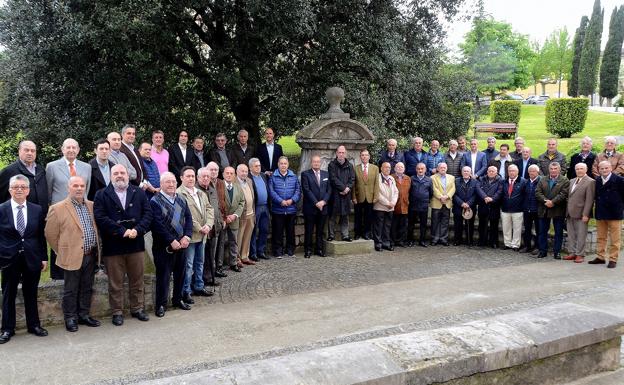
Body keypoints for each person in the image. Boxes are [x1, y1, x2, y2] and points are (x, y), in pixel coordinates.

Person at [93, 164, 153, 326]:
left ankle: (137, 308)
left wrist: (137, 230)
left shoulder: (139, 192)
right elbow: (101, 218)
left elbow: (148, 214)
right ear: (111, 176)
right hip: (114, 245)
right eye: (116, 173)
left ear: (128, 175)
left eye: (122, 173)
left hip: (136, 243)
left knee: (137, 280)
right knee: (115, 282)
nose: (119, 175)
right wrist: (122, 231)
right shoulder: (101, 195)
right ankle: (117, 312)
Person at [45, 176, 100, 332]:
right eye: (75, 185)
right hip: (71, 255)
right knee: (71, 289)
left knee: (87, 287)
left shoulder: (91, 205)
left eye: (82, 185)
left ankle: (84, 315)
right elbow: (50, 234)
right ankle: (70, 317)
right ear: (68, 188)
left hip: (90, 254)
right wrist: (62, 250)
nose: (79, 188)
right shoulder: (57, 208)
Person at [0, 175, 48, 344]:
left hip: (32, 257)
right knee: (8, 294)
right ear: (10, 189)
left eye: (22, 187)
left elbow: (41, 236)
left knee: (31, 292)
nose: (19, 189)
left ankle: (34, 325)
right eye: (15, 187)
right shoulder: (2, 209)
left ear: (28, 190)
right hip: (9, 258)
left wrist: (44, 257)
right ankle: (7, 329)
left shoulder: (37, 209)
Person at [46, 138, 92, 279]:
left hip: (80, 211)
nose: (71, 150)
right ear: (62, 149)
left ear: (78, 150)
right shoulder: (52, 166)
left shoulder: (86, 167)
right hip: (61, 213)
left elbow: (86, 189)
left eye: (74, 147)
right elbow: (48, 190)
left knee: (78, 241)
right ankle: (58, 277)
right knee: (61, 242)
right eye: (68, 147)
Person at [150, 172, 193, 317]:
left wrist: (187, 236)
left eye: (173, 182)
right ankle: (161, 304)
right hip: (164, 247)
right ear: (161, 184)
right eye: (167, 182)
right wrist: (171, 240)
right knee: (163, 277)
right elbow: (157, 225)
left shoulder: (181, 199)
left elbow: (188, 218)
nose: (171, 185)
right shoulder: (155, 201)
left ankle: (177, 299)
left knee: (181, 274)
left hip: (182, 244)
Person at [177, 166, 214, 303]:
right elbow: (185, 216)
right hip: (190, 236)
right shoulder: (179, 194)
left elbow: (209, 209)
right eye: (188, 176)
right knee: (188, 266)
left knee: (200, 263)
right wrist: (200, 228)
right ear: (181, 178)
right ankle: (186, 291)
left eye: (193, 176)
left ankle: (199, 286)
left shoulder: (200, 193)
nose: (191, 178)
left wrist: (209, 225)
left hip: (203, 235)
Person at [589, 161, 624, 268]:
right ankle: (600, 257)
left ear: (611, 168)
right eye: (602, 168)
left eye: (606, 168)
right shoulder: (598, 180)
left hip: (614, 213)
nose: (604, 170)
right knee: (601, 237)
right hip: (601, 212)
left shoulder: (619, 180)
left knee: (615, 238)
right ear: (599, 169)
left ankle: (613, 259)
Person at [197, 163, 228, 284]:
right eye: (203, 176)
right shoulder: (196, 190)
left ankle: (209, 277)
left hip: (215, 226)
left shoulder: (212, 189)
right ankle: (202, 279)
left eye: (207, 177)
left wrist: (220, 220)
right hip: (202, 228)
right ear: (198, 177)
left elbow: (217, 207)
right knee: (201, 257)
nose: (205, 179)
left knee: (211, 253)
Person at [0, 141, 48, 215]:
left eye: (33, 151)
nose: (30, 153)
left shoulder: (41, 170)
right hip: (18, 217)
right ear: (19, 151)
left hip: (40, 217)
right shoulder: (8, 171)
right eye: (26, 150)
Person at [268, 156, 301, 258]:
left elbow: (298, 191)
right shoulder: (273, 177)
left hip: (291, 209)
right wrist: (280, 201)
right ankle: (278, 251)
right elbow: (271, 191)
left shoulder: (293, 176)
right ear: (278, 164)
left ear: (288, 165)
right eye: (281, 163)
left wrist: (292, 200)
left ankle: (290, 250)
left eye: (285, 163)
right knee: (277, 231)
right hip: (278, 209)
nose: (283, 165)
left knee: (290, 231)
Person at [535, 162, 569, 259]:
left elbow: (563, 194)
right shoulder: (543, 179)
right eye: (551, 169)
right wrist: (545, 201)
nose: (553, 170)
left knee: (558, 232)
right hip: (544, 209)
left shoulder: (565, 180)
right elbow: (538, 192)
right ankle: (542, 251)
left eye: (555, 169)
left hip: (558, 209)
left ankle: (557, 252)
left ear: (559, 169)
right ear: (549, 169)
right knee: (542, 231)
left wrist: (553, 202)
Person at [564, 163, 595, 263]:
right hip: (570, 212)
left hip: (581, 213)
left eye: (581, 168)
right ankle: (572, 253)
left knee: (581, 234)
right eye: (577, 169)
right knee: (571, 234)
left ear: (586, 169)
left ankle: (580, 254)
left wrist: (586, 214)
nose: (579, 170)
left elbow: (589, 200)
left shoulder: (590, 182)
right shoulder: (572, 180)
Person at [301, 155, 331, 258]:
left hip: (323, 207)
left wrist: (323, 202)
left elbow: (329, 190)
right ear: (311, 163)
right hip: (310, 207)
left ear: (321, 162)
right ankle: (308, 250)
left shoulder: (326, 174)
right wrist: (316, 203)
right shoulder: (305, 174)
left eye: (318, 162)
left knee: (320, 231)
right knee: (309, 230)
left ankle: (319, 249)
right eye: (314, 162)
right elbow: (306, 190)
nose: (316, 163)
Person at [328, 145, 355, 241]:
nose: (341, 154)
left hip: (346, 195)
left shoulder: (350, 165)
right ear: (336, 153)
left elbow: (352, 179)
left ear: (345, 153)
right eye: (339, 152)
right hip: (335, 194)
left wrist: (347, 188)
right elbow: (333, 178)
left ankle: (345, 235)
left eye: (343, 152)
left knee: (345, 216)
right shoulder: (332, 165)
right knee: (333, 216)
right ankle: (331, 235)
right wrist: (343, 188)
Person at [352, 149, 379, 240]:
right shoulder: (355, 168)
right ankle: (357, 233)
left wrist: (376, 196)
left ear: (369, 157)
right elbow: (353, 184)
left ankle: (367, 233)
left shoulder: (375, 168)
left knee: (369, 217)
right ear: (360, 157)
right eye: (362, 155)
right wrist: (353, 197)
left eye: (366, 155)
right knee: (358, 216)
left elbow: (376, 183)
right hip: (359, 196)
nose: (364, 157)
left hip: (370, 197)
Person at [222, 166, 245, 271]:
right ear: (223, 174)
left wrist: (235, 215)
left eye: (231, 173)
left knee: (234, 242)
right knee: (221, 242)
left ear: (234, 175)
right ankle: (219, 265)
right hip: (222, 220)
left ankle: (233, 262)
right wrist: (224, 217)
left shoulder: (238, 187)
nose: (229, 175)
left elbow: (242, 202)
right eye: (227, 173)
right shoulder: (219, 186)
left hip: (234, 219)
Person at [373, 162, 398, 252]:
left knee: (387, 226)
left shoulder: (391, 178)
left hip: (390, 207)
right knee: (378, 226)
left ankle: (386, 243)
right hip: (380, 207)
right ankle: (378, 243)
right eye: (385, 167)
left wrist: (393, 202)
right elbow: (377, 193)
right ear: (381, 168)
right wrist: (387, 203)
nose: (387, 169)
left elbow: (396, 191)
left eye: (389, 167)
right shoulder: (377, 178)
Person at [500, 164, 526, 251]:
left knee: (517, 228)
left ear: (517, 172)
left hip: (518, 209)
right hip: (505, 208)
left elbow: (525, 195)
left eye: (513, 171)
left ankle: (515, 245)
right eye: (510, 171)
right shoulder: (504, 181)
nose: (511, 172)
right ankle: (507, 243)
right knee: (506, 228)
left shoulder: (523, 182)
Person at [248, 158, 270, 260]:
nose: (258, 167)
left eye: (259, 165)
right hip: (255, 207)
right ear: (250, 167)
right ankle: (253, 253)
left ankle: (261, 251)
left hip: (265, 207)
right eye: (256, 166)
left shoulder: (263, 175)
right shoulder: (248, 178)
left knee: (264, 230)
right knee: (253, 231)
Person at [476, 166, 503, 248]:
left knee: (494, 225)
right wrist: (485, 197)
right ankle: (482, 241)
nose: (491, 172)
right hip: (483, 204)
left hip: (494, 205)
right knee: (482, 225)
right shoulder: (481, 179)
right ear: (487, 172)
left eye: (493, 171)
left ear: (496, 172)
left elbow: (500, 191)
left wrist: (492, 199)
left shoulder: (500, 180)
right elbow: (478, 189)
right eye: (489, 171)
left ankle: (493, 242)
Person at [430, 162, 455, 246]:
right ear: (437, 168)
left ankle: (444, 239)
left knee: (445, 222)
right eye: (441, 167)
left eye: (444, 167)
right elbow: (434, 189)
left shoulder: (452, 177)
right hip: (437, 202)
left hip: (447, 202)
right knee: (435, 222)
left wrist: (447, 196)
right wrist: (441, 197)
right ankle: (434, 239)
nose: (443, 169)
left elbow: (453, 188)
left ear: (447, 168)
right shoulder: (432, 178)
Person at [235, 164, 256, 265]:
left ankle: (244, 256)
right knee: (239, 237)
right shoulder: (234, 182)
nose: (244, 173)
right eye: (242, 171)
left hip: (251, 213)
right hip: (241, 215)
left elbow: (252, 196)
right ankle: (236, 258)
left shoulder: (249, 181)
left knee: (247, 236)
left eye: (246, 171)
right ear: (237, 171)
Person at [407, 163, 432, 247]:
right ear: (416, 169)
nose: (420, 170)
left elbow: (431, 193)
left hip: (423, 205)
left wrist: (426, 200)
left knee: (423, 225)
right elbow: (409, 191)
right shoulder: (411, 179)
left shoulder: (429, 180)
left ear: (425, 170)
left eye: (422, 169)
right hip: (413, 205)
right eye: (418, 169)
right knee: (410, 224)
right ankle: (410, 240)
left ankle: (422, 241)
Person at [452, 166, 478, 246]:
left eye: (467, 171)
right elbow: (454, 194)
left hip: (470, 207)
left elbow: (476, 195)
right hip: (458, 206)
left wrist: (468, 203)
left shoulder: (475, 182)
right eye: (464, 171)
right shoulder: (456, 181)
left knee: (470, 225)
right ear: (462, 172)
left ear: (470, 173)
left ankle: (469, 241)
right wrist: (461, 203)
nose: (466, 172)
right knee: (457, 224)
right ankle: (457, 240)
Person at [520, 165, 541, 254]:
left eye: (533, 171)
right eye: (530, 171)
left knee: (538, 230)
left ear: (537, 172)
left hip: (537, 210)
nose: (532, 173)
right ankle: (527, 246)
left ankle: (537, 247)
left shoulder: (541, 181)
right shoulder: (526, 182)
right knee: (527, 229)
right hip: (527, 209)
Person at [391, 162, 411, 247]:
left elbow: (410, 191)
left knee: (403, 225)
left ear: (404, 169)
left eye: (402, 167)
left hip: (405, 205)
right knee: (393, 225)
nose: (400, 168)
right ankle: (393, 241)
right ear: (395, 168)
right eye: (398, 167)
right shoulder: (391, 177)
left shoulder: (408, 178)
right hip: (394, 205)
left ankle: (401, 241)